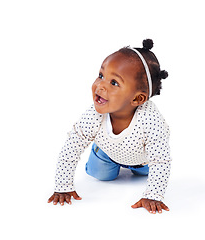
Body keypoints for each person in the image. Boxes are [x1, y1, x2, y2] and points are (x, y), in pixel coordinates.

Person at [48, 39, 172, 214]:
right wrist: (63, 186)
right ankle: (100, 149)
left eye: (114, 83)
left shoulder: (151, 120)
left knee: (147, 174)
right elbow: (72, 146)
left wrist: (153, 195)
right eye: (101, 75)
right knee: (101, 175)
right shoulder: (95, 114)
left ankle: (135, 169)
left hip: (144, 159)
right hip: (108, 153)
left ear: (137, 99)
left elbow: (160, 160)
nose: (100, 85)